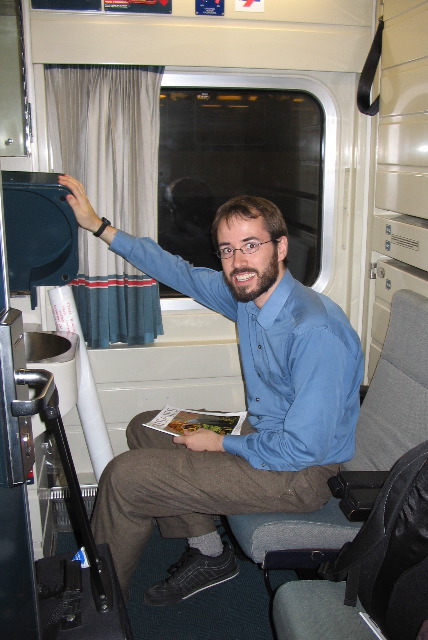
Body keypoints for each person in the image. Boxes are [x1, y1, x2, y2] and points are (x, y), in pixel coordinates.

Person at [58, 174, 364, 606]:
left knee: (125, 478)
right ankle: (210, 554)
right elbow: (176, 271)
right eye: (227, 250)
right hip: (268, 437)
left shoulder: (314, 331)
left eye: (251, 245)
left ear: (280, 248)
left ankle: (97, 609)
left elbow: (304, 450)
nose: (238, 261)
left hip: (301, 474)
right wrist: (99, 227)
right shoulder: (248, 297)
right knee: (148, 428)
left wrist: (223, 444)